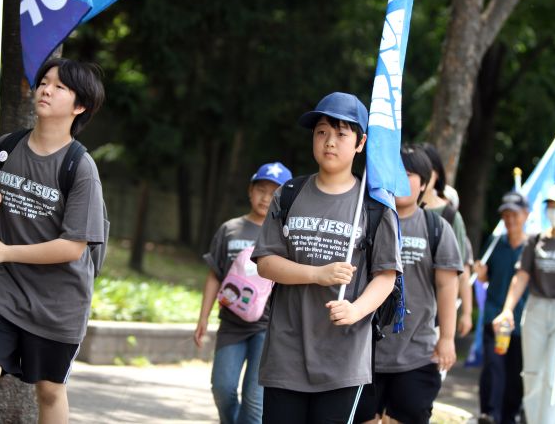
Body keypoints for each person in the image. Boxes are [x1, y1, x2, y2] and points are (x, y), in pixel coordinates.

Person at [0, 58, 106, 422]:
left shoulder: (79, 168)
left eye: (60, 87)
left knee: (50, 391)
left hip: (59, 303)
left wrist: (7, 251)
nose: (46, 90)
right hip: (3, 290)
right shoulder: (8, 147)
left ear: (79, 106)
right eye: (44, 82)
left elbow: (73, 246)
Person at [251, 92, 402, 423]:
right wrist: (318, 274)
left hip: (343, 360)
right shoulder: (289, 194)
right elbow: (266, 262)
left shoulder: (376, 207)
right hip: (286, 354)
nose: (329, 142)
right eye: (321, 132)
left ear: (360, 143)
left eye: (341, 133)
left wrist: (356, 309)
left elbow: (386, 275)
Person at [354, 144, 463, 424]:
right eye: (395, 172)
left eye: (410, 173)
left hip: (417, 352)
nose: (401, 179)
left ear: (425, 182)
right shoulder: (365, 221)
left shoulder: (436, 228)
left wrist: (448, 339)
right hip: (363, 351)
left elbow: (447, 287)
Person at [194, 162, 292, 424]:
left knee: (254, 400)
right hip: (231, 324)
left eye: (274, 193)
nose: (265, 197)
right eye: (261, 189)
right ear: (250, 191)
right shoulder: (230, 229)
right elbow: (215, 274)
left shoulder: (285, 235)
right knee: (222, 388)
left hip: (268, 327)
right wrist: (203, 317)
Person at [493, 183, 555, 424]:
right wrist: (507, 310)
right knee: (531, 375)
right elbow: (521, 276)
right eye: (552, 206)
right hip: (535, 310)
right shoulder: (535, 240)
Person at [473, 191, 530, 424]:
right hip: (494, 318)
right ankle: (489, 413)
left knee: (514, 374)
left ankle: (509, 416)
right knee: (493, 368)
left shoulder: (532, 248)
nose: (510, 220)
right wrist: (482, 275)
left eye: (514, 215)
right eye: (506, 215)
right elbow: (487, 277)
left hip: (521, 322)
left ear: (526, 215)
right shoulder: (495, 243)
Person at [421, 143, 474, 338]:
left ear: (436, 174)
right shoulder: (393, 210)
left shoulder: (450, 217)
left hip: (433, 315)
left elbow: (462, 272)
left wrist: (466, 313)